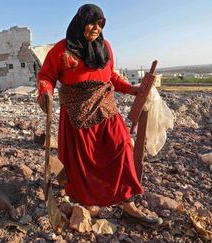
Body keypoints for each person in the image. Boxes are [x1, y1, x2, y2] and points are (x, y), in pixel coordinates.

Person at [37, 4, 162, 227]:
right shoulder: (62, 50)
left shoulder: (105, 47)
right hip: (77, 113)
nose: (96, 28)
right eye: (92, 22)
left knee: (122, 147)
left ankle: (127, 203)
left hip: (105, 107)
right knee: (83, 161)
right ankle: (87, 202)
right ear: (80, 22)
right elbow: (46, 75)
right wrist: (44, 93)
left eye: (100, 24)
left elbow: (111, 76)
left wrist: (132, 89)